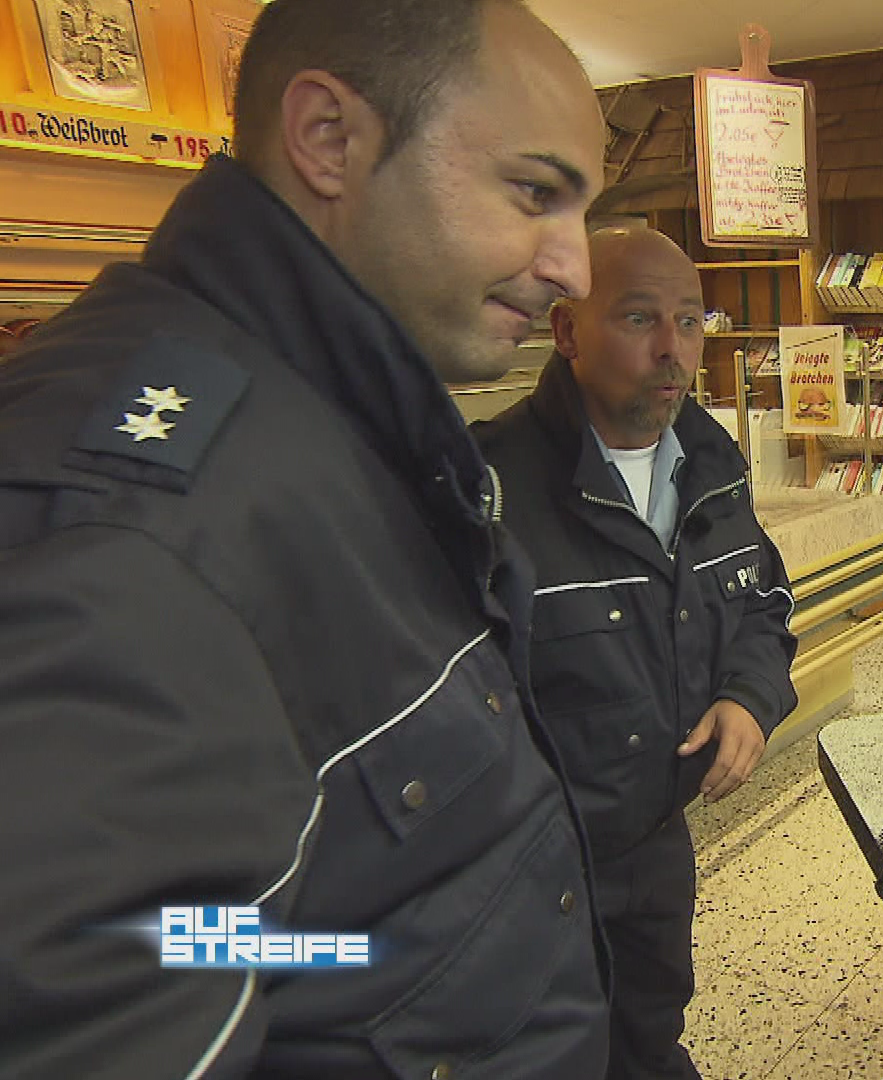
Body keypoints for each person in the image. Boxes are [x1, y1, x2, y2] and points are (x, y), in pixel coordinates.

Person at [0, 0, 612, 1076]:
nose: (576, 271)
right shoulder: (131, 528)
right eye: (533, 193)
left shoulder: (345, 423)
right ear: (329, 140)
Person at [474, 227, 798, 1080]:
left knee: (647, 1038)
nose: (672, 350)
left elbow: (765, 599)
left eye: (690, 322)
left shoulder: (715, 470)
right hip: (531, 871)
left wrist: (750, 695)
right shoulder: (489, 490)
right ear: (568, 331)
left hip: (657, 850)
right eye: (638, 319)